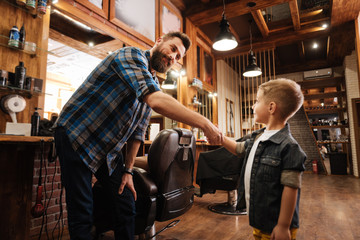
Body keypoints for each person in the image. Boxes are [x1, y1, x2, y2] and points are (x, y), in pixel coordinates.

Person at [53, 31, 222, 240]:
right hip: (77, 133)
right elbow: (156, 101)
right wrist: (204, 123)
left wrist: (128, 170)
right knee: (82, 210)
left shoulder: (153, 81)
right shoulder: (131, 56)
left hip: (108, 150)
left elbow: (137, 133)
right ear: (159, 40)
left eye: (178, 57)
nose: (173, 57)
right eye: (173, 49)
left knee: (126, 204)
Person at [221, 78, 306, 240]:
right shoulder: (257, 136)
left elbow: (291, 188)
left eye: (257, 101)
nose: (253, 106)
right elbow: (239, 149)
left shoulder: (289, 147)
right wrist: (221, 139)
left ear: (271, 107)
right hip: (258, 218)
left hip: (277, 224)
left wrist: (283, 226)